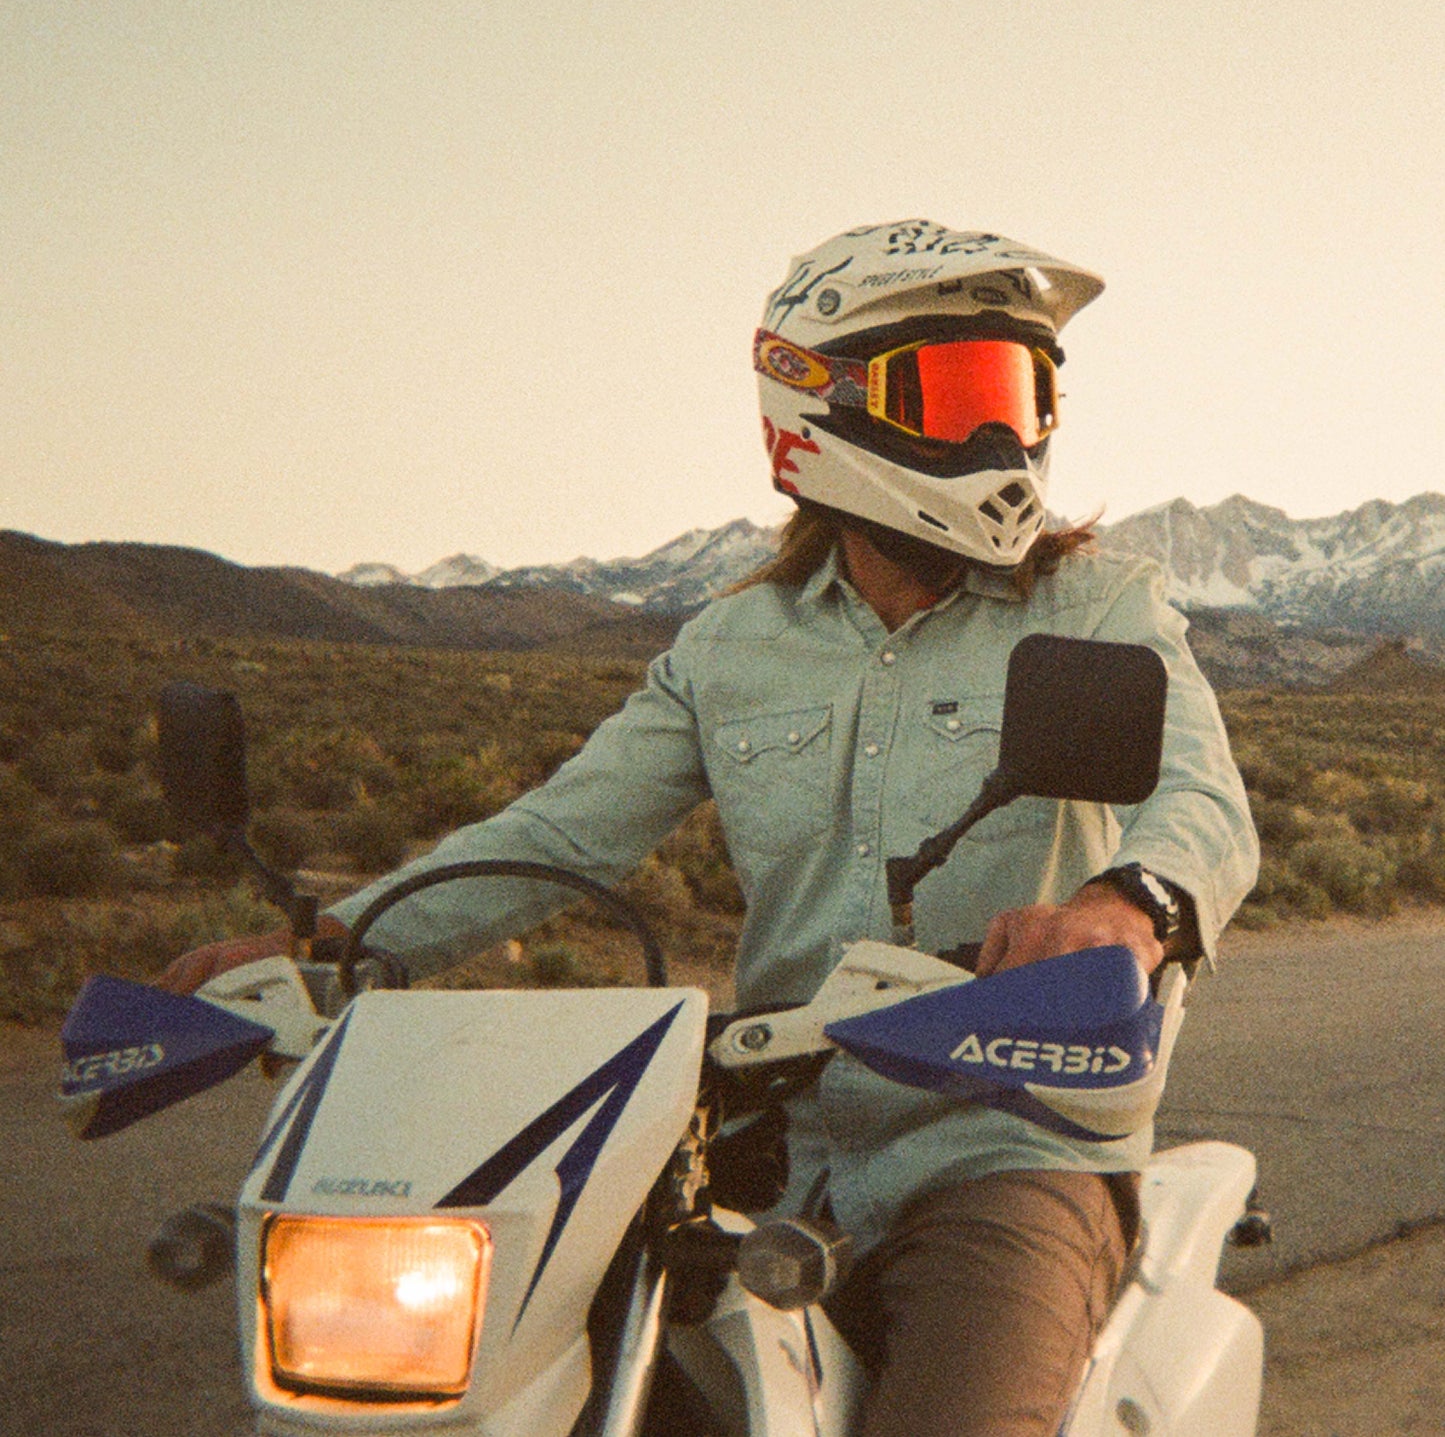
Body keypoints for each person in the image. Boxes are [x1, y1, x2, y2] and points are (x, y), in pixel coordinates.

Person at [161, 219, 1258, 1435]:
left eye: (1020, 392)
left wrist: (1123, 908)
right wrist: (339, 939)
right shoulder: (732, 647)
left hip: (1000, 1145)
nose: (1002, 435)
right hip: (756, 1141)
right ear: (820, 403)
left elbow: (1202, 798)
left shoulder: (1099, 605)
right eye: (953, 394)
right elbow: (561, 832)